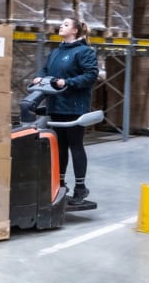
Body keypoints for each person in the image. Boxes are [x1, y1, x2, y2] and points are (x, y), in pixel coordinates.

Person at [31, 17, 99, 202]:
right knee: (59, 146)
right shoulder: (56, 52)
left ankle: (80, 188)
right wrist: (39, 78)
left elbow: (90, 75)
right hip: (56, 105)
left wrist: (66, 82)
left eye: (66, 24)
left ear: (75, 30)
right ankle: (60, 184)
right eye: (61, 24)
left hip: (75, 108)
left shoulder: (84, 52)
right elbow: (45, 70)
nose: (61, 26)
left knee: (75, 145)